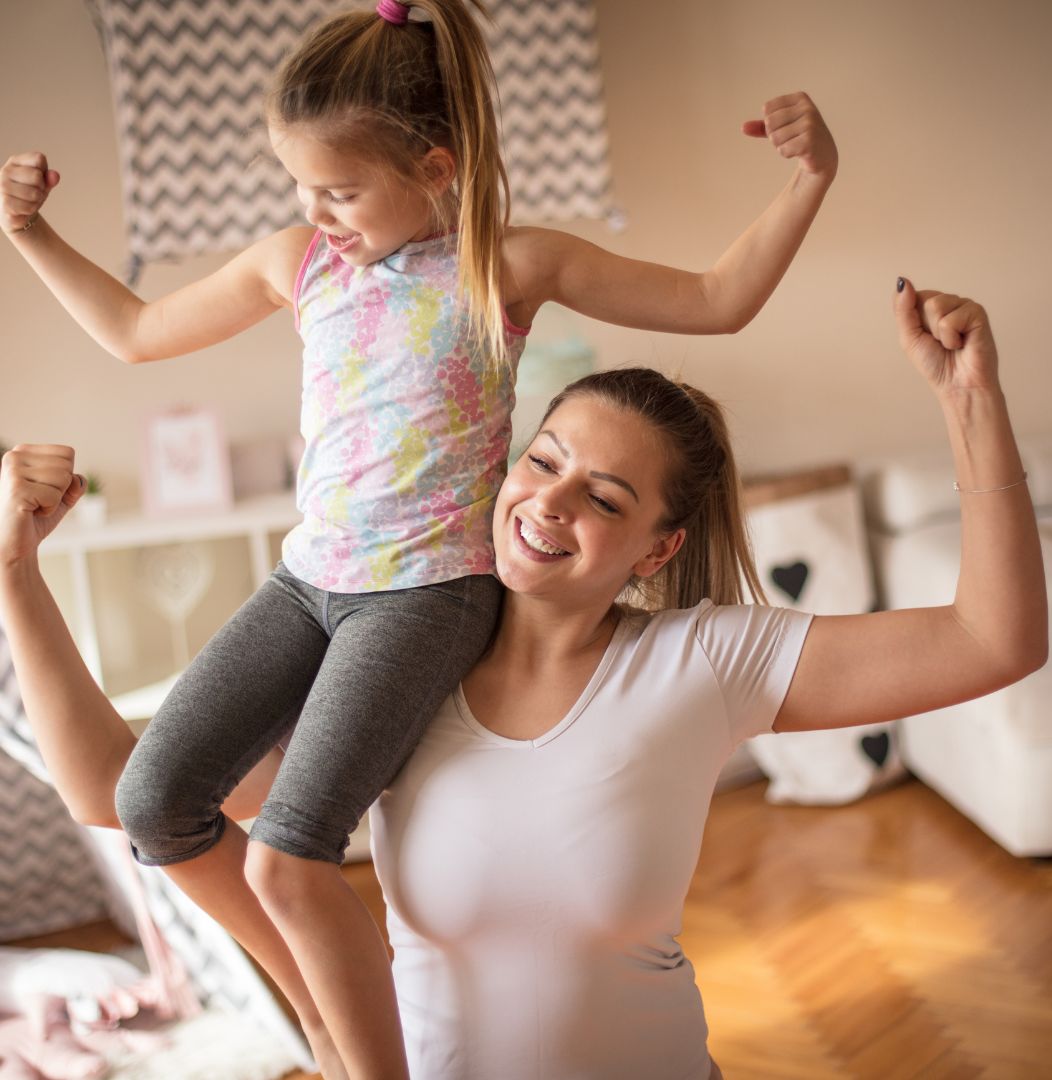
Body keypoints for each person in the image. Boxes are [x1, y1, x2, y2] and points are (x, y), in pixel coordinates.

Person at [1, 2, 838, 1075]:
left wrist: (807, 179)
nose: (317, 211)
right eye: (300, 186)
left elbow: (719, 301)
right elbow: (131, 331)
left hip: (427, 594)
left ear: (436, 166)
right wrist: (31, 235)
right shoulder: (295, 263)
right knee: (153, 801)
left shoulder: (506, 265)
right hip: (308, 583)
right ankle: (322, 1011)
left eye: (340, 191)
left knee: (290, 864)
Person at [0, 277, 1047, 1078]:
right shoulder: (397, 667)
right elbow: (118, 792)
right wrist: (15, 571)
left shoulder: (703, 659)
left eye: (604, 495)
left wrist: (972, 402)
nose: (549, 504)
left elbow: (992, 641)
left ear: (653, 548)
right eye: (542, 462)